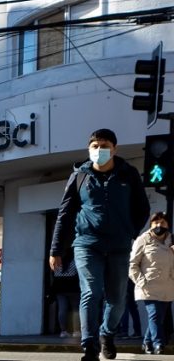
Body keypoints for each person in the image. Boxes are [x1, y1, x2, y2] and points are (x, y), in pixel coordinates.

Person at [49, 128, 149, 361]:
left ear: (114, 149)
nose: (99, 150)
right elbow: (65, 214)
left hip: (119, 246)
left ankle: (107, 333)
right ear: (88, 149)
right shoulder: (79, 176)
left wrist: (130, 232)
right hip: (87, 244)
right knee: (91, 292)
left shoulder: (128, 174)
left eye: (105, 146)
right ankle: (90, 346)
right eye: (95, 146)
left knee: (117, 299)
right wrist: (56, 250)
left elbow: (142, 208)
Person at [129, 211, 174, 355]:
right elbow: (132, 264)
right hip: (149, 286)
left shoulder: (171, 240)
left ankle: (147, 342)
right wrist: (141, 281)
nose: (159, 225)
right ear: (151, 224)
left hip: (167, 286)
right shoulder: (143, 240)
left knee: (158, 317)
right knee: (154, 314)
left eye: (162, 222)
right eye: (156, 222)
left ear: (168, 225)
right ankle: (158, 344)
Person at [50, 250, 79, 338]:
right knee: (76, 309)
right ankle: (76, 331)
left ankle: (63, 331)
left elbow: (53, 273)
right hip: (73, 287)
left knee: (62, 309)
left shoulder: (57, 262)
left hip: (59, 287)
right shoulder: (74, 261)